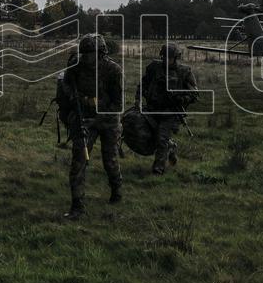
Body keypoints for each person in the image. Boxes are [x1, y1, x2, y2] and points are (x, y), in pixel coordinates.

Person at [59, 34, 124, 219]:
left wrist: (97, 117)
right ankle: (77, 206)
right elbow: (65, 84)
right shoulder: (76, 68)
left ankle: (116, 190)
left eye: (90, 53)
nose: (86, 57)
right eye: (84, 53)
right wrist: (74, 97)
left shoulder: (113, 71)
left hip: (108, 120)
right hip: (84, 119)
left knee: (110, 160)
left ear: (100, 53)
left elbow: (118, 105)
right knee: (79, 160)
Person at [140, 43, 198, 175]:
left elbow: (194, 93)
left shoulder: (184, 72)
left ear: (176, 58)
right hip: (152, 108)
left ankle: (158, 168)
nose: (167, 60)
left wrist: (182, 99)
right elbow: (143, 83)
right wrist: (140, 96)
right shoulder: (154, 68)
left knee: (161, 138)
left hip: (170, 111)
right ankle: (171, 148)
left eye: (170, 58)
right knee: (150, 135)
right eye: (164, 57)